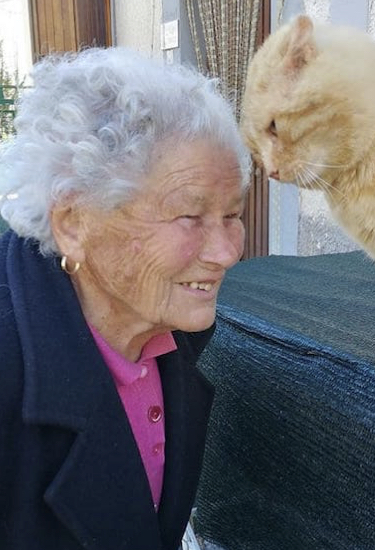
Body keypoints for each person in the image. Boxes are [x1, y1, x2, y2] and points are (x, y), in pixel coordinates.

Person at [0, 47, 249, 550]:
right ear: (74, 223)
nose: (225, 252)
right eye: (189, 216)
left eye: (232, 214)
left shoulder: (170, 323)